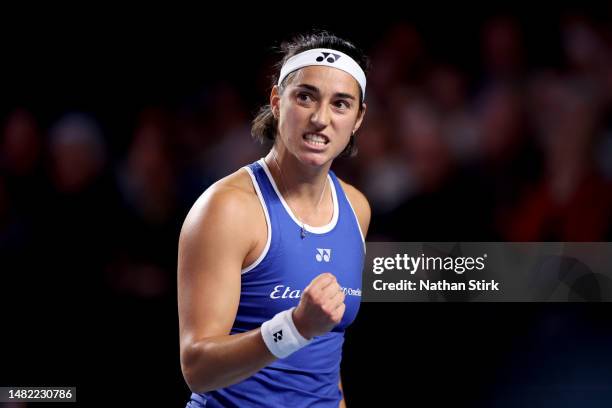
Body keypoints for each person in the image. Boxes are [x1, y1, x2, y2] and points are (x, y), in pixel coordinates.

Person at [178, 30, 371, 407]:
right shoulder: (227, 209)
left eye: (340, 104)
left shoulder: (356, 207)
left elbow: (327, 360)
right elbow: (197, 367)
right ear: (277, 101)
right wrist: (294, 328)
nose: (320, 119)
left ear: (358, 119)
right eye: (305, 97)